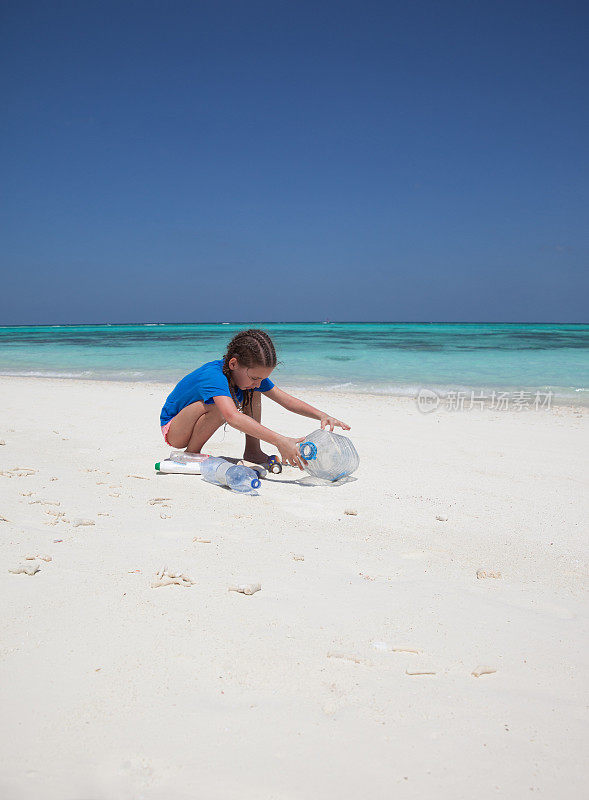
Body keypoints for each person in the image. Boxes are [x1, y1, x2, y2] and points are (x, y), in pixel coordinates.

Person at [159, 328, 350, 470]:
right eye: (255, 378)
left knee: (254, 392)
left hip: (195, 421)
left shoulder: (252, 381)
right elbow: (232, 417)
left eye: (261, 378)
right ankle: (191, 453)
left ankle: (252, 450)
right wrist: (280, 441)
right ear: (233, 364)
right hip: (175, 429)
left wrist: (322, 415)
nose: (258, 383)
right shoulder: (213, 375)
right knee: (224, 407)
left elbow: (285, 400)